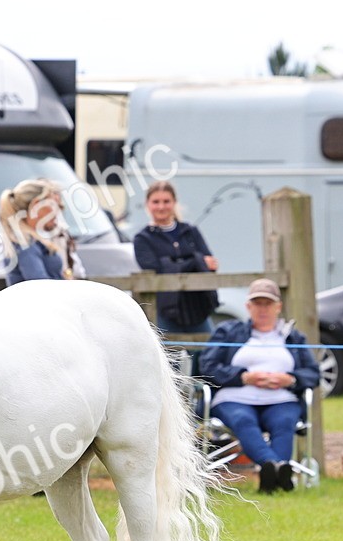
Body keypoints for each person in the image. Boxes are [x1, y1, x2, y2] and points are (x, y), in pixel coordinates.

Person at [198, 278, 320, 493]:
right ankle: (277, 468)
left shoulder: (293, 337)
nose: (263, 309)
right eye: (257, 303)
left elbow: (313, 373)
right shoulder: (228, 332)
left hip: (282, 398)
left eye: (268, 303)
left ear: (278, 307)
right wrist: (244, 377)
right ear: (248, 306)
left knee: (284, 422)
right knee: (243, 420)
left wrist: (289, 380)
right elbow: (207, 366)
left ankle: (271, 476)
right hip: (234, 398)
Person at [133, 180, 220, 334]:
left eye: (166, 201)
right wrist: (195, 260)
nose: (161, 206)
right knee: (165, 356)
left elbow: (210, 264)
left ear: (174, 203)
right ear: (147, 204)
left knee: (207, 353)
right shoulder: (142, 238)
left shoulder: (190, 231)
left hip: (197, 308)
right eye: (156, 202)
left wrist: (172, 263)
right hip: (166, 311)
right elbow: (156, 270)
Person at [0, 178, 78, 285]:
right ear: (36, 205)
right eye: (53, 205)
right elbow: (40, 287)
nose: (58, 212)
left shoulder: (30, 240)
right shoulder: (25, 245)